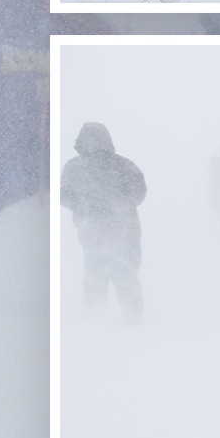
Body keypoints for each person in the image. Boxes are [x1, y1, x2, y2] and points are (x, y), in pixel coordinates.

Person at [60, 122, 147, 321]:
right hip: (125, 232)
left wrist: (87, 207)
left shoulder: (74, 167)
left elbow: (64, 196)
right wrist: (115, 207)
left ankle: (94, 319)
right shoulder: (125, 165)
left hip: (94, 233)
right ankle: (131, 320)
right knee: (125, 276)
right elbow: (139, 193)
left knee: (96, 276)